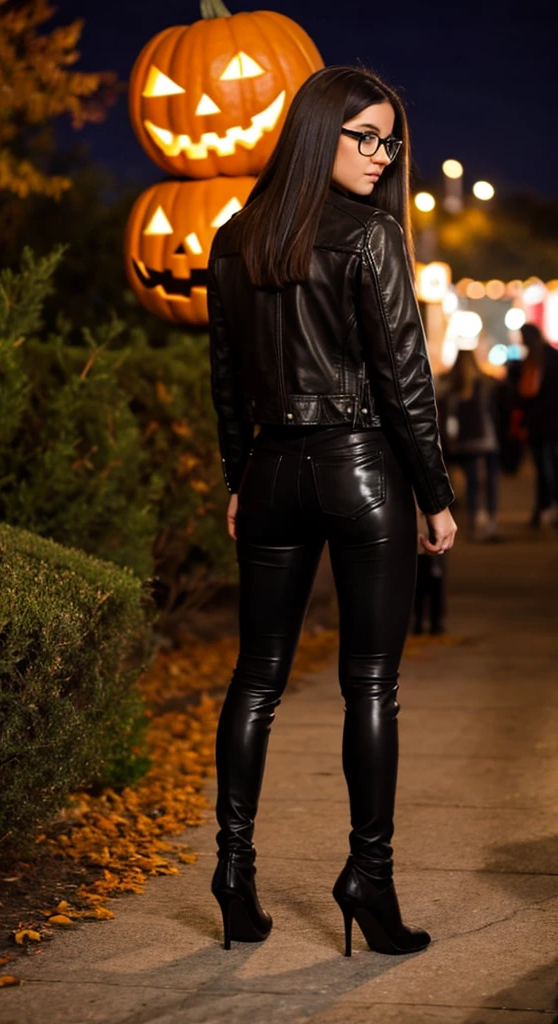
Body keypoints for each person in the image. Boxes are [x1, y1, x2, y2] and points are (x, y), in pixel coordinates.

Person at [206, 64, 457, 958]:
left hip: (271, 467)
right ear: (321, 132)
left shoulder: (233, 241)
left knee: (256, 678)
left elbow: (229, 388)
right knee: (371, 684)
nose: (384, 156)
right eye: (366, 137)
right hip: (358, 468)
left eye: (390, 140)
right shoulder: (370, 237)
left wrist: (242, 478)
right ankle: (369, 882)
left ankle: (233, 873)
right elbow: (404, 380)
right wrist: (436, 494)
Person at [436, 347, 505, 542]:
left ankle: (475, 519)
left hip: (466, 441)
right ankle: (492, 520)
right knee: (491, 481)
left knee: (473, 482)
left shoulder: (451, 385)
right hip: (489, 439)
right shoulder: (486, 383)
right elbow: (496, 411)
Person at [515, 322, 558, 527]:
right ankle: (548, 509)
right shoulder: (552, 357)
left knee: (543, 469)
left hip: (539, 424)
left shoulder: (533, 361)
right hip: (550, 423)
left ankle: (543, 509)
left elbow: (526, 394)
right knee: (551, 467)